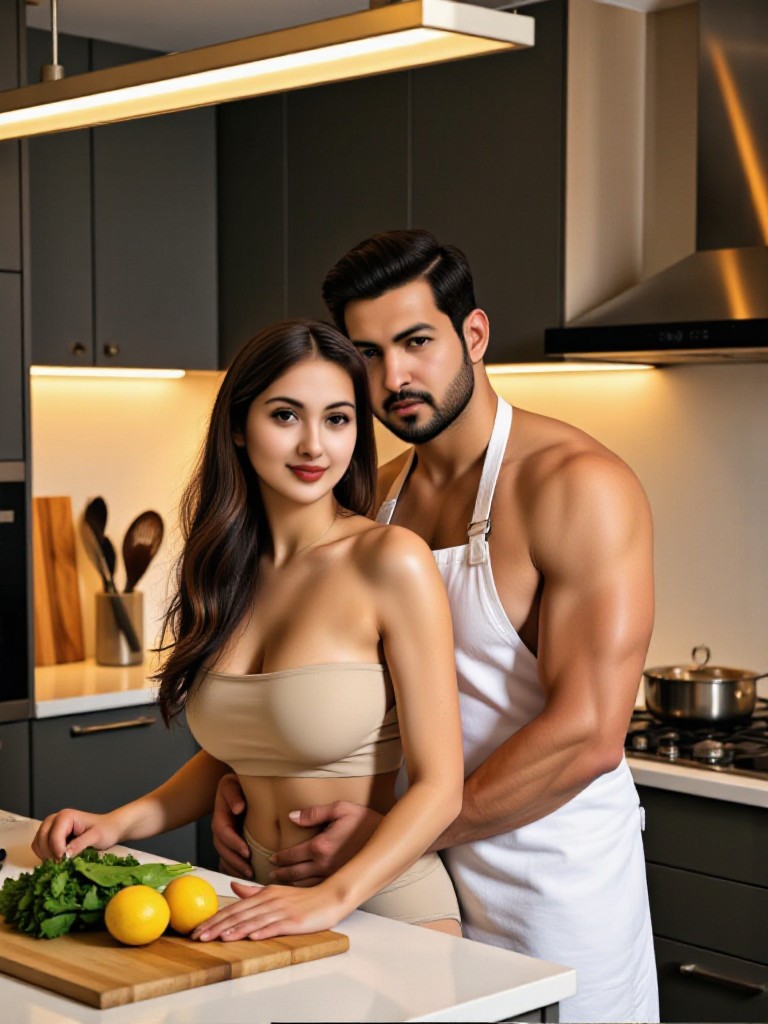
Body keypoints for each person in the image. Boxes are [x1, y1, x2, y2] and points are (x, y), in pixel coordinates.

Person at [212, 232, 660, 1022]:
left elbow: (589, 733)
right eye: (369, 353)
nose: (395, 377)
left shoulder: (577, 485)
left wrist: (395, 835)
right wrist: (253, 773)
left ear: (474, 336)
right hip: (403, 877)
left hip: (548, 883)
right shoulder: (376, 496)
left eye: (417, 342)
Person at [32, 318, 465, 941]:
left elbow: (440, 788)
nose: (314, 446)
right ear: (238, 426)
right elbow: (240, 749)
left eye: (338, 419)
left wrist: (328, 900)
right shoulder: (222, 567)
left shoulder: (391, 560)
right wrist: (118, 823)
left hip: (381, 904)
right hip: (256, 902)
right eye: (286, 416)